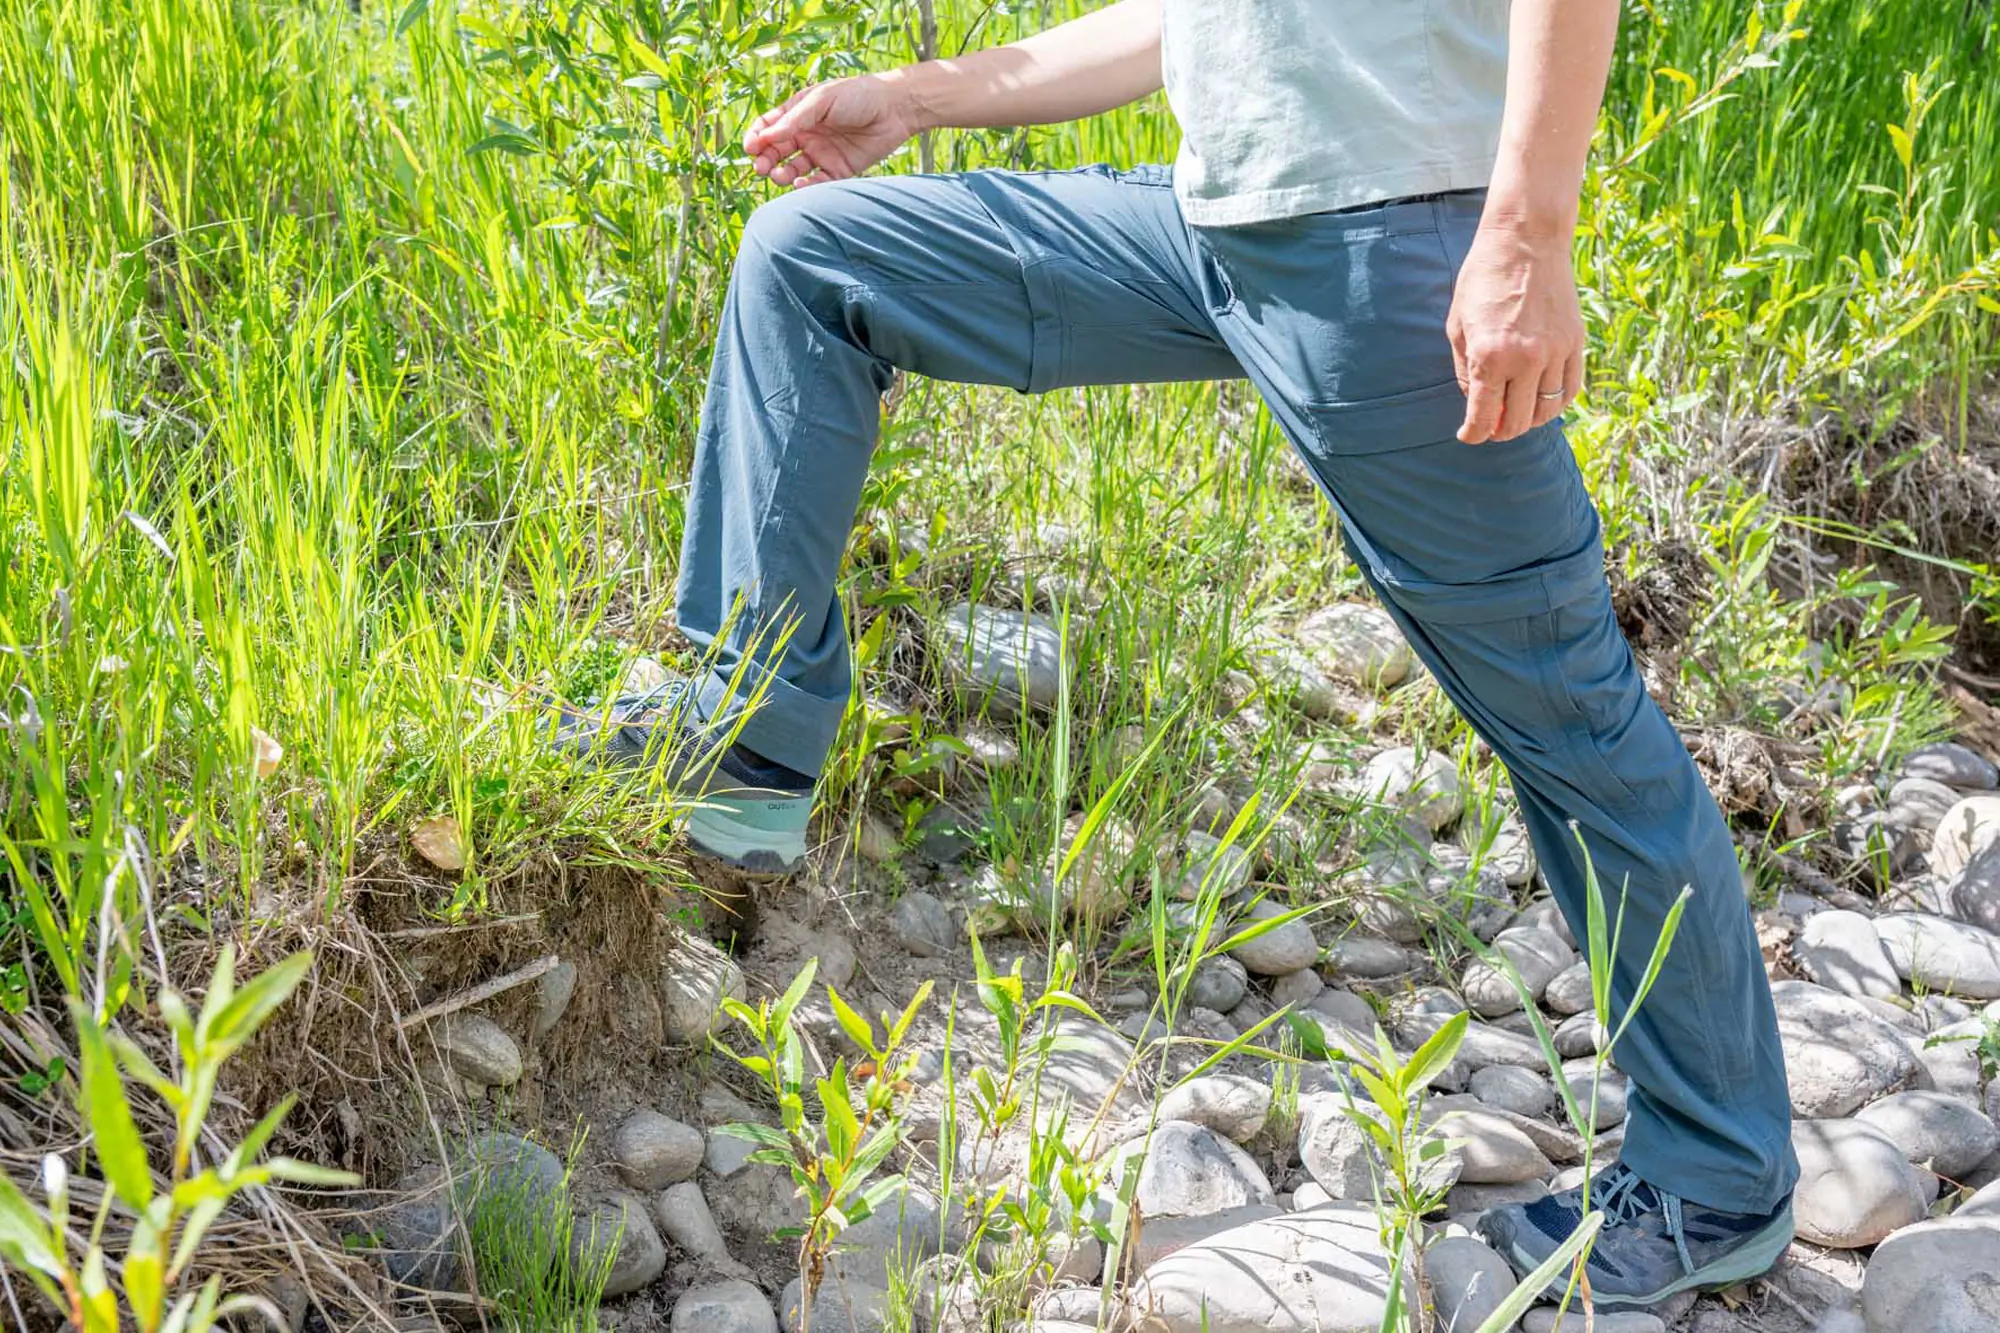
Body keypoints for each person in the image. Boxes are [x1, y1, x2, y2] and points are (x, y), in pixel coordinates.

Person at [560, 0, 1799, 1309]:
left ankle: (1717, 1173)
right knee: (815, 254)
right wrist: (917, 97)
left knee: (1576, 730)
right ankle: (750, 739)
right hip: (1207, 233)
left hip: (1389, 262)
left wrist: (1528, 235)